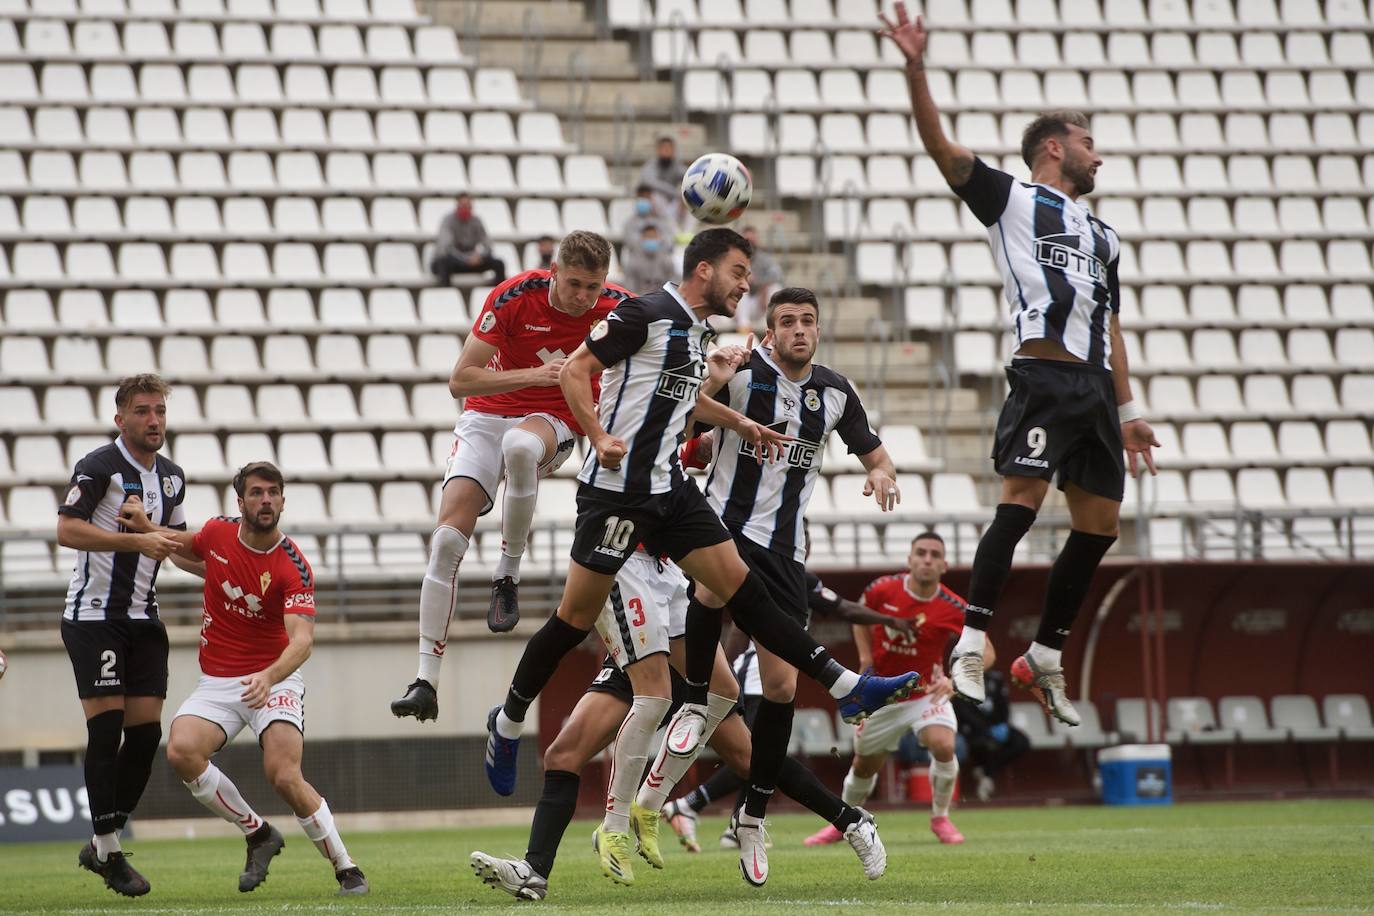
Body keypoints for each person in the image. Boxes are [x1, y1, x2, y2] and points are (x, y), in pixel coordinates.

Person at [480, 230, 919, 884]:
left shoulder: (696, 335)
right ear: (706, 269)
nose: (746, 284)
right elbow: (575, 371)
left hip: (668, 501)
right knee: (585, 637)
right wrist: (598, 434)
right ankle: (518, 725)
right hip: (619, 505)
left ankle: (842, 696)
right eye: (739, 272)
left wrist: (735, 421)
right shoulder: (646, 315)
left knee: (743, 603)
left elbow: (686, 402)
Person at [879, 3, 1159, 722]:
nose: (1098, 157)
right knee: (1020, 506)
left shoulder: (1106, 237)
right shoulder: (1012, 199)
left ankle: (1044, 657)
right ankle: (971, 643)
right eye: (1088, 144)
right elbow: (944, 152)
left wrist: (1129, 412)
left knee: (1099, 528)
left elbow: (1112, 324)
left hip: (1094, 390)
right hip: (1043, 375)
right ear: (1054, 149)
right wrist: (916, 68)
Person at [655, 285, 909, 885]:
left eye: (807, 321)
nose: (799, 330)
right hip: (725, 528)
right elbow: (681, 418)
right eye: (788, 321)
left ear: (818, 330)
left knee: (780, 686)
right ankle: (696, 701)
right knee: (711, 590)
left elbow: (876, 454)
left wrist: (881, 474)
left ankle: (752, 816)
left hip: (787, 553)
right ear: (770, 331)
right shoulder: (744, 374)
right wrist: (714, 380)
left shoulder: (836, 392)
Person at [470, 548, 888, 901]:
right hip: (638, 645)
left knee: (751, 759)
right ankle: (536, 870)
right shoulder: (630, 524)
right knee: (562, 755)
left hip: (681, 658)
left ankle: (850, 820)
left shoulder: (705, 536)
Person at [392, 231, 630, 722]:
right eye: (574, 284)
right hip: (485, 416)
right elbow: (461, 379)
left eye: (592, 287)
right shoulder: (515, 296)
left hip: (553, 421)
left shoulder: (619, 307)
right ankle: (425, 682)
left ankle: (507, 574)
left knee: (520, 446)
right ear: (553, 272)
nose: (583, 297)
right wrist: (534, 375)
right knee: (445, 541)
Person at [122, 462, 368, 896]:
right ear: (241, 501)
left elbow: (303, 642)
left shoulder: (292, 565)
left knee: (284, 775)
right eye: (256, 492)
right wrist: (146, 527)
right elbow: (183, 546)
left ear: (283, 501)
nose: (266, 500)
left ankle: (347, 869)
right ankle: (258, 833)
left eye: (273, 492)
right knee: (181, 750)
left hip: (275, 679)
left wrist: (269, 677)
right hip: (218, 681)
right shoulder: (218, 532)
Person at [663, 515, 914, 852]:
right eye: (798, 533)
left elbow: (844, 608)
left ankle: (730, 820)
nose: (802, 541)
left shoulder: (802, 580)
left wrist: (888, 620)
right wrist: (725, 671)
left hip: (777, 682)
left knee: (757, 756)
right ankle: (697, 807)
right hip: (753, 678)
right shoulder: (755, 567)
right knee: (756, 756)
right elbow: (738, 627)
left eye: (805, 535)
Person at [56, 374, 190, 898]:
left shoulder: (172, 478)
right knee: (106, 729)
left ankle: (100, 841)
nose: (153, 420)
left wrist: (169, 540)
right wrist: (136, 538)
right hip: (95, 618)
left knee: (147, 736)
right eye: (142, 411)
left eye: (159, 411)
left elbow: (178, 543)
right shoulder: (98, 466)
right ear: (120, 419)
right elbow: (67, 529)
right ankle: (112, 853)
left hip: (143, 618)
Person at [804, 531, 990, 848]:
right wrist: (865, 658)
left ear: (944, 565)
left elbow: (987, 651)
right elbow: (858, 617)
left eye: (934, 555)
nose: (927, 560)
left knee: (943, 745)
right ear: (909, 559)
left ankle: (941, 817)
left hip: (926, 693)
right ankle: (842, 823)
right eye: (921, 553)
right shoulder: (882, 589)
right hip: (882, 695)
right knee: (864, 765)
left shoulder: (953, 606)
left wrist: (954, 680)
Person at [954, 667, 1030, 801]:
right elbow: (963, 711)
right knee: (985, 745)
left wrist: (1002, 724)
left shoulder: (995, 679)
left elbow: (1003, 705)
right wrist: (986, 728)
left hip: (996, 726)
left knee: (1021, 742)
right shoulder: (961, 681)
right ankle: (986, 775)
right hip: (973, 730)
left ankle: (986, 772)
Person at [430, 194, 507, 286]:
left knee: (498, 264)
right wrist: (466, 259)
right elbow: (446, 248)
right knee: (443, 264)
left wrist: (480, 257)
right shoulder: (448, 221)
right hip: (453, 261)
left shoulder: (476, 221)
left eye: (468, 206)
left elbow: (488, 245)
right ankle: (446, 293)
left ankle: (499, 292)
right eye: (463, 206)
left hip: (472, 262)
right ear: (457, 206)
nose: (465, 209)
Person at [733, 226, 783, 333]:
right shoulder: (733, 258)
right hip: (738, 306)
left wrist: (760, 283)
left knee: (775, 288)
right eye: (747, 241)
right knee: (741, 287)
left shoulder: (764, 258)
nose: (750, 244)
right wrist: (744, 278)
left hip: (759, 303)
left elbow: (777, 275)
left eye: (752, 241)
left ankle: (770, 324)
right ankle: (744, 325)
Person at [638, 136, 686, 225]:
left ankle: (687, 232)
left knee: (690, 198)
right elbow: (650, 183)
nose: (666, 150)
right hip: (656, 205)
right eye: (664, 148)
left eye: (669, 148)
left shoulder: (677, 165)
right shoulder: (650, 165)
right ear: (658, 150)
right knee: (656, 196)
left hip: (673, 203)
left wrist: (682, 197)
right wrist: (676, 193)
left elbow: (689, 178)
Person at [620, 223, 677, 294]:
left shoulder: (667, 260)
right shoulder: (633, 261)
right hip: (639, 298)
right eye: (648, 237)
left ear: (659, 238)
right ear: (641, 238)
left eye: (653, 237)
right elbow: (629, 287)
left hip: (662, 298)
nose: (651, 239)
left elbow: (672, 285)